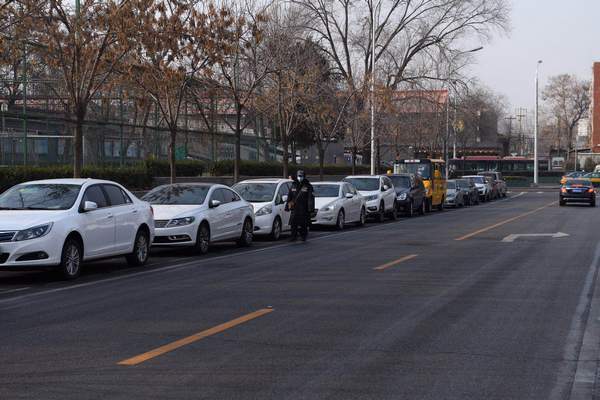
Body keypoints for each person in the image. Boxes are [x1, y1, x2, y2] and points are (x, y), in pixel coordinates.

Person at [286, 170, 314, 242]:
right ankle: (293, 236)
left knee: (303, 223)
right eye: (299, 176)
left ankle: (303, 236)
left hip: (304, 208)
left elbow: (310, 197)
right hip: (295, 208)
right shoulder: (294, 185)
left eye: (301, 176)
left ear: (304, 177)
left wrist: (310, 208)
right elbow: (290, 196)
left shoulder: (307, 186)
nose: (299, 177)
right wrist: (287, 206)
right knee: (293, 223)